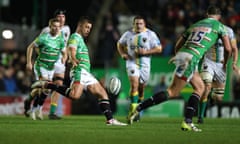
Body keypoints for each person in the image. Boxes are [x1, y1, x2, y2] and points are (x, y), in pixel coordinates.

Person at [128, 5, 232, 132]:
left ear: (207, 14)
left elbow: (178, 43)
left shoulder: (196, 25)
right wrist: (225, 63)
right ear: (219, 16)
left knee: (200, 87)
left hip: (184, 54)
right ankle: (139, 108)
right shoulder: (220, 26)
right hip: (192, 58)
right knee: (172, 92)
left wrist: (178, 56)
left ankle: (188, 121)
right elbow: (228, 48)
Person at [31, 16, 127, 126]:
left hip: (86, 73)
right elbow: (71, 49)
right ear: (80, 26)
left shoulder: (80, 39)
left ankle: (110, 120)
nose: (88, 30)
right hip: (80, 71)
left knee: (102, 93)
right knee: (75, 96)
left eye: (89, 28)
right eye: (86, 27)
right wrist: (73, 59)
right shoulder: (75, 37)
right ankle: (48, 85)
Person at [24, 9, 71, 120]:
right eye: (59, 16)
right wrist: (41, 56)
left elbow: (65, 47)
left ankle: (52, 112)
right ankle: (30, 100)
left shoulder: (67, 29)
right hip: (44, 62)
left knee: (57, 86)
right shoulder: (46, 31)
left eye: (63, 16)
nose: (61, 18)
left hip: (58, 63)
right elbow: (35, 46)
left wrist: (66, 57)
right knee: (44, 87)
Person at [117, 15, 162, 122]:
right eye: (136, 23)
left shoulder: (151, 34)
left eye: (140, 23)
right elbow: (119, 44)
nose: (138, 25)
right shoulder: (128, 34)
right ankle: (133, 111)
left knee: (141, 90)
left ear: (144, 24)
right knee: (134, 85)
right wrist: (123, 54)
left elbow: (159, 48)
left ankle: (137, 110)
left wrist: (146, 52)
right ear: (133, 24)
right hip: (131, 62)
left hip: (145, 65)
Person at [197, 25, 239, 124]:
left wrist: (234, 63)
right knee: (207, 87)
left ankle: (210, 96)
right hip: (208, 62)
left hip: (222, 65)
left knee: (218, 97)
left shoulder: (229, 31)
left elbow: (234, 48)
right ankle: (200, 116)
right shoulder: (207, 30)